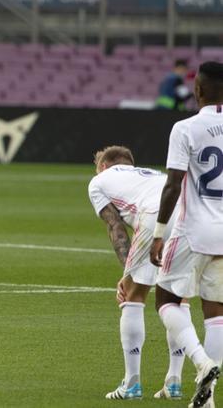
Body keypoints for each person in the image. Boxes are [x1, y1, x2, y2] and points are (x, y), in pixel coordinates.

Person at [150, 61, 223, 408]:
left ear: (197, 91)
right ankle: (207, 401)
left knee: (165, 300)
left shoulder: (186, 128)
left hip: (194, 230)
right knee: (217, 313)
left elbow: (173, 184)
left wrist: (158, 233)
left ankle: (201, 362)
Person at [88, 145, 187, 401]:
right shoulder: (151, 174)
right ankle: (174, 382)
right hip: (186, 214)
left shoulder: (99, 181)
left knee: (132, 297)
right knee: (178, 298)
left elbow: (116, 228)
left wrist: (127, 272)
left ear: (103, 166)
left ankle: (131, 385)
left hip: (153, 215)